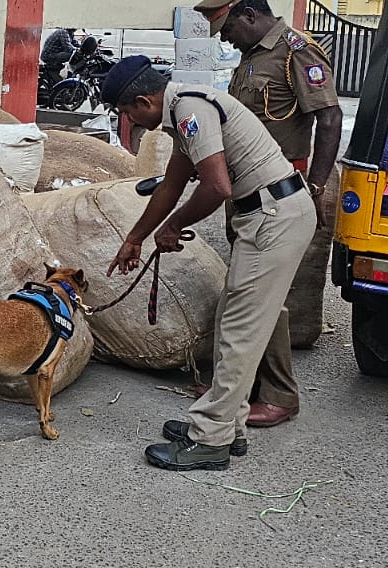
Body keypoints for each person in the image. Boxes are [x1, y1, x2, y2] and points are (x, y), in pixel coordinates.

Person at [102, 56, 316, 470]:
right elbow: (172, 185)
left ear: (144, 101)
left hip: (275, 217)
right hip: (267, 215)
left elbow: (217, 187)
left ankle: (211, 439)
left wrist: (175, 226)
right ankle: (228, 425)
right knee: (231, 320)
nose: (128, 120)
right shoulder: (183, 109)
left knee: (240, 329)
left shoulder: (191, 109)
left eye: (126, 112)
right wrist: (136, 238)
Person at [196, 0, 342, 429]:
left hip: (282, 190)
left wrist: (315, 186)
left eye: (230, 30)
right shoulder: (250, 58)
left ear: (250, 14)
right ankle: (240, 385)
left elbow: (331, 118)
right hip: (245, 192)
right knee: (245, 291)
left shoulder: (296, 52)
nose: (228, 41)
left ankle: (279, 394)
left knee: (266, 297)